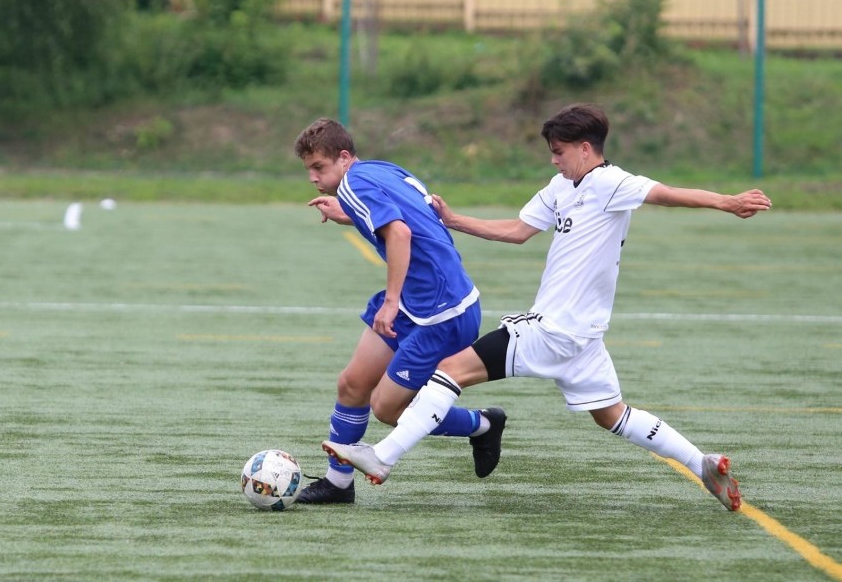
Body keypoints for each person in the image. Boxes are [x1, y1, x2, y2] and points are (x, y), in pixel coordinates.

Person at [321, 104, 773, 511]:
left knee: (451, 370)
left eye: (559, 151)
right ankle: (703, 464)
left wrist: (727, 202)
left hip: (555, 328)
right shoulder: (561, 186)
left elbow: (667, 193)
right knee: (613, 415)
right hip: (583, 337)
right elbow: (517, 230)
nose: (553, 159)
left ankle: (384, 456)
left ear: (584, 148)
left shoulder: (610, 183)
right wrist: (456, 220)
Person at [292, 117, 506, 504]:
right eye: (308, 169)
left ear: (343, 158)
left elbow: (401, 233)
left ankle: (483, 424)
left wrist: (390, 303)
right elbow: (407, 214)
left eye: (318, 167)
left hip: (441, 313)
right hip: (416, 301)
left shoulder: (355, 183)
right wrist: (351, 213)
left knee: (389, 409)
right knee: (352, 383)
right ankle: (338, 483)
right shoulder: (377, 169)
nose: (312, 177)